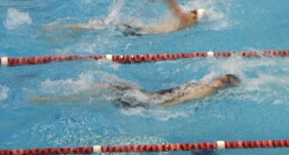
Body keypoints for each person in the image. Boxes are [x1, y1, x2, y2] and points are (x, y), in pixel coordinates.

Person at [47, 0, 208, 35]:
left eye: (193, 12)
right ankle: (69, 30)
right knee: (101, 26)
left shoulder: (184, 18)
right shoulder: (187, 25)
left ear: (194, 16)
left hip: (140, 31)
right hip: (143, 32)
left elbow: (171, 3)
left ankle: (64, 28)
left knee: (100, 25)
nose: (190, 11)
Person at [32, 74, 241, 108]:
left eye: (222, 78)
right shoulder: (206, 86)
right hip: (148, 95)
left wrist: (154, 106)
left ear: (223, 83)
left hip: (148, 101)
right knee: (108, 86)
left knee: (105, 92)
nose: (218, 78)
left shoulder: (206, 90)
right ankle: (53, 97)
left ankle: (50, 99)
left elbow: (177, 102)